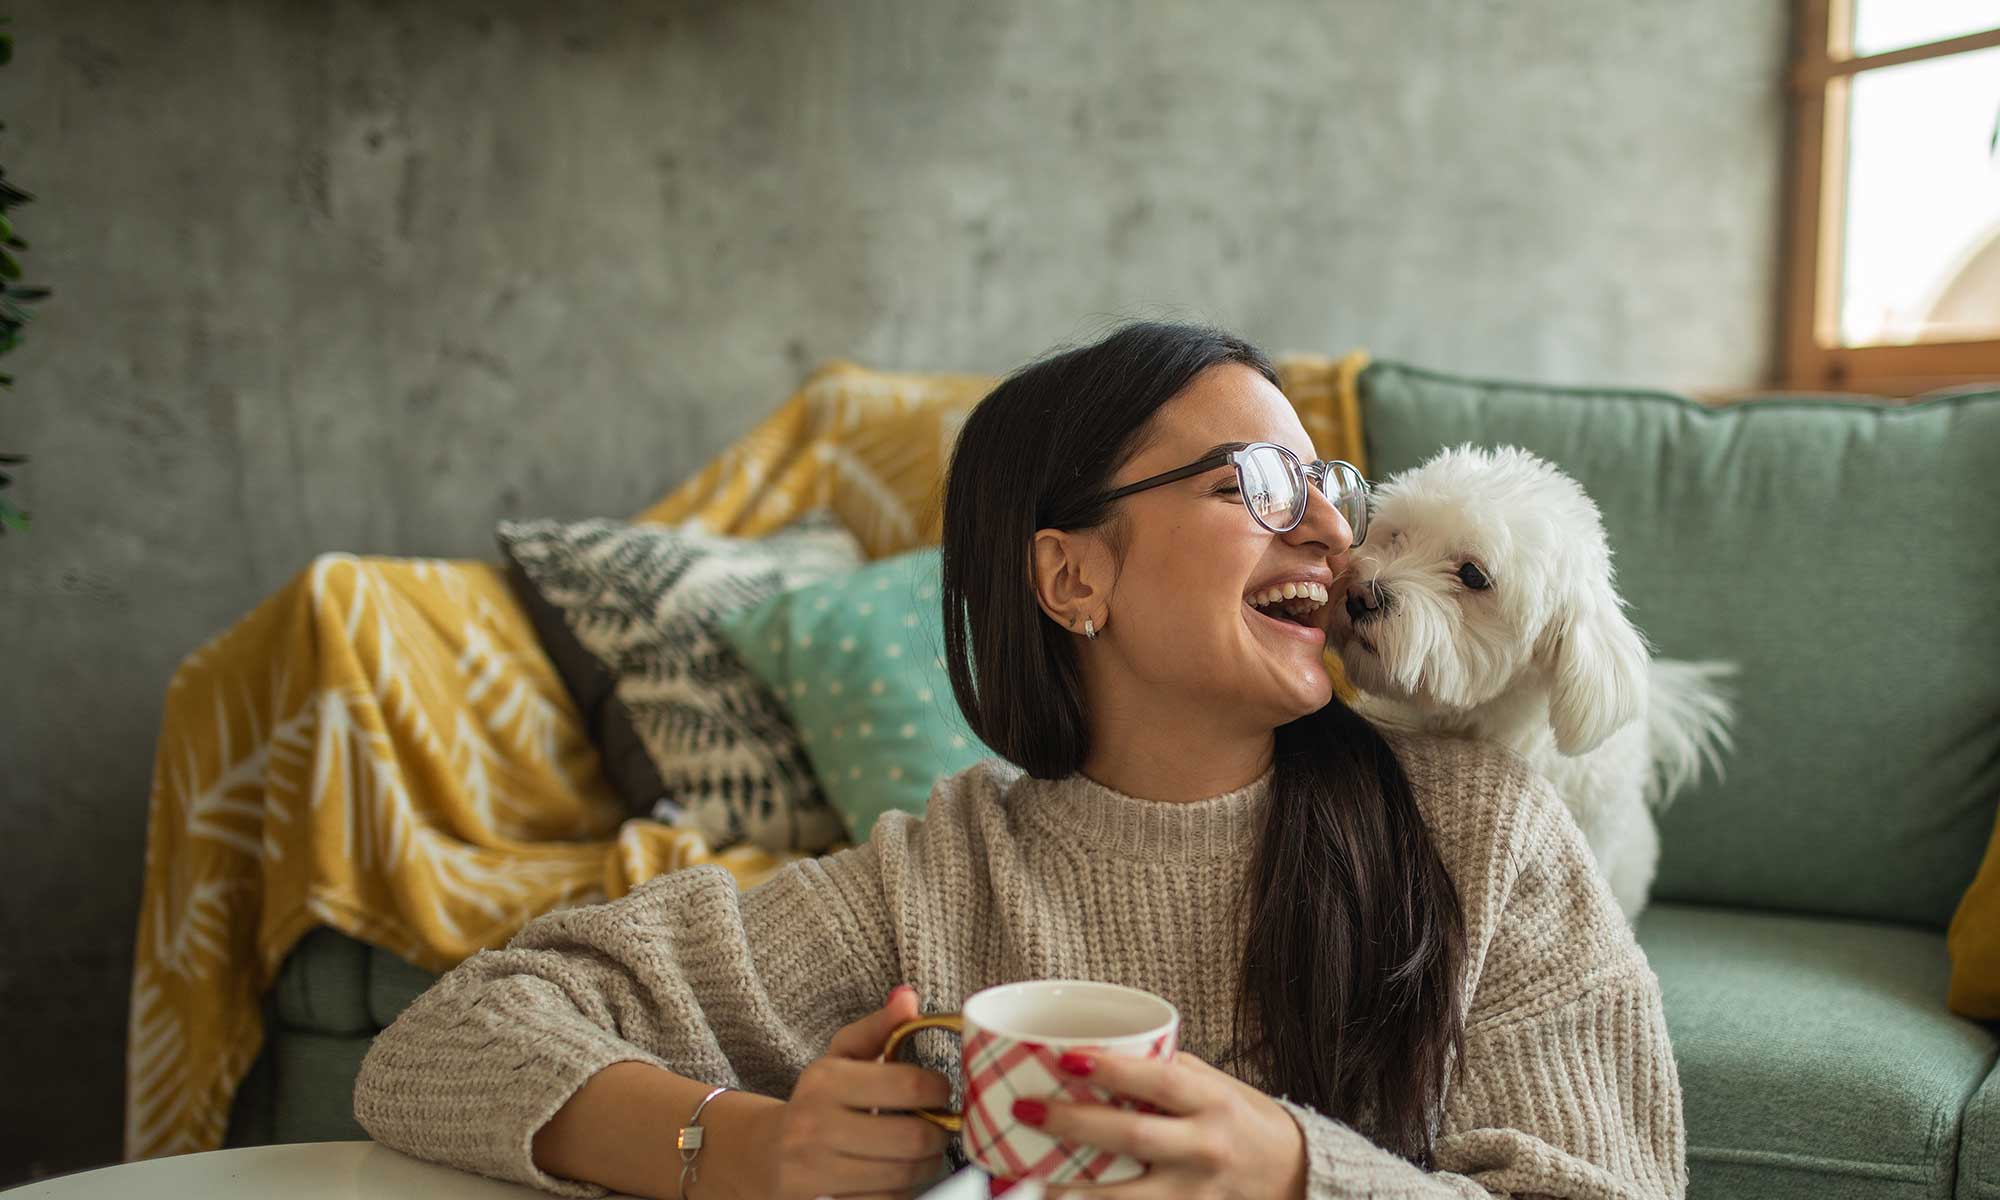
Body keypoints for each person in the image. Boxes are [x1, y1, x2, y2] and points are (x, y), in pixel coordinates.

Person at [354, 321, 1687, 1200]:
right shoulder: (934, 878)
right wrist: (747, 1144)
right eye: (1260, 490)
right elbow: (446, 1044)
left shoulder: (1480, 832)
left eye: (1329, 492)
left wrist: (1297, 1173)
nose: (1335, 546)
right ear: (1070, 574)